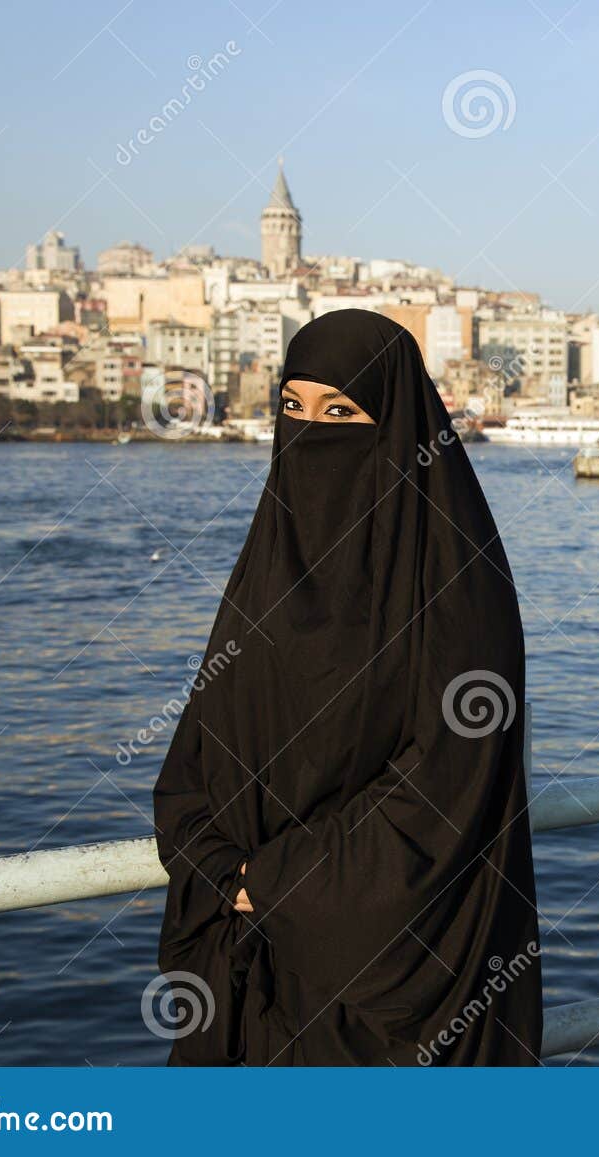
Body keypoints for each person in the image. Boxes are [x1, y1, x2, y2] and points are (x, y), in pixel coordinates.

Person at [153, 310, 542, 1065]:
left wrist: (271, 883)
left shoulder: (459, 590)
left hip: (385, 999)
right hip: (252, 981)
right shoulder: (266, 575)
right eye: (292, 408)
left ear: (394, 427)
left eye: (340, 412)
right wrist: (218, 872)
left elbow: (444, 793)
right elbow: (192, 762)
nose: (310, 430)